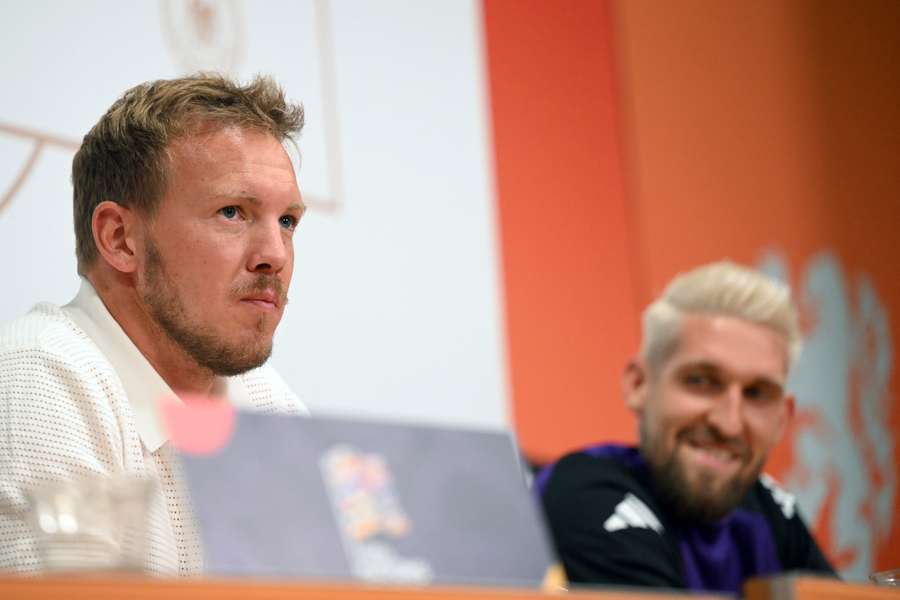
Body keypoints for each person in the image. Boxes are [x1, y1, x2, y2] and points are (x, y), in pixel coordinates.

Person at [0, 74, 308, 574]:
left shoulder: (268, 403)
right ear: (120, 238)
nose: (275, 254)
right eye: (233, 212)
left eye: (287, 222)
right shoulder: (41, 383)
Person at [538, 261, 836, 594]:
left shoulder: (770, 512)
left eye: (756, 393)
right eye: (701, 381)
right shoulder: (586, 490)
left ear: (783, 418)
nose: (729, 423)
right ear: (638, 384)